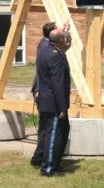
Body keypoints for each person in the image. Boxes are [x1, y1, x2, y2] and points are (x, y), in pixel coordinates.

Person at [35, 25, 72, 176]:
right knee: (53, 137)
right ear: (60, 41)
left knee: (62, 131)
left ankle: (55, 163)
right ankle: (48, 168)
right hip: (54, 104)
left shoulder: (44, 48)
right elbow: (58, 84)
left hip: (45, 100)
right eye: (64, 37)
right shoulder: (56, 56)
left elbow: (61, 43)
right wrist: (62, 108)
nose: (66, 39)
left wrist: (64, 32)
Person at [30, 21, 60, 167]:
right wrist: (37, 91)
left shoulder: (44, 43)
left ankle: (40, 157)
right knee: (45, 129)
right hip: (42, 92)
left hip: (41, 91)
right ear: (51, 33)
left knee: (44, 128)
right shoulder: (44, 46)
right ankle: (40, 157)